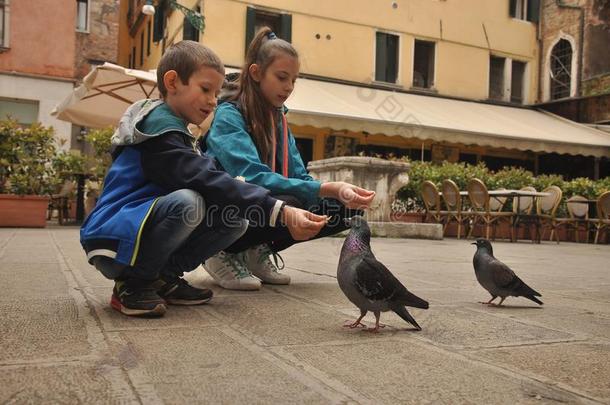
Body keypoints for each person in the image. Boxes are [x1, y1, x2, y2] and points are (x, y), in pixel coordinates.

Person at [80, 40, 328, 317]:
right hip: (114, 239)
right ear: (172, 82)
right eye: (206, 89)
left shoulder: (181, 133)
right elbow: (203, 178)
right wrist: (279, 210)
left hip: (137, 230)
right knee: (189, 202)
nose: (213, 101)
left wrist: (256, 198)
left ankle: (165, 277)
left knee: (234, 217)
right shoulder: (159, 128)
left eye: (217, 92)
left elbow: (214, 179)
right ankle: (133, 285)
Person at [203, 28, 375, 291]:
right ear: (256, 73)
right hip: (223, 210)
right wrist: (324, 187)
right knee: (289, 202)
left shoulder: (278, 119)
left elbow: (299, 176)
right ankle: (219, 251)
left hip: (264, 206)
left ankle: (255, 249)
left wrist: (337, 192)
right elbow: (250, 175)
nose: (289, 87)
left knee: (343, 209)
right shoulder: (229, 115)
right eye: (282, 77)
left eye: (294, 80)